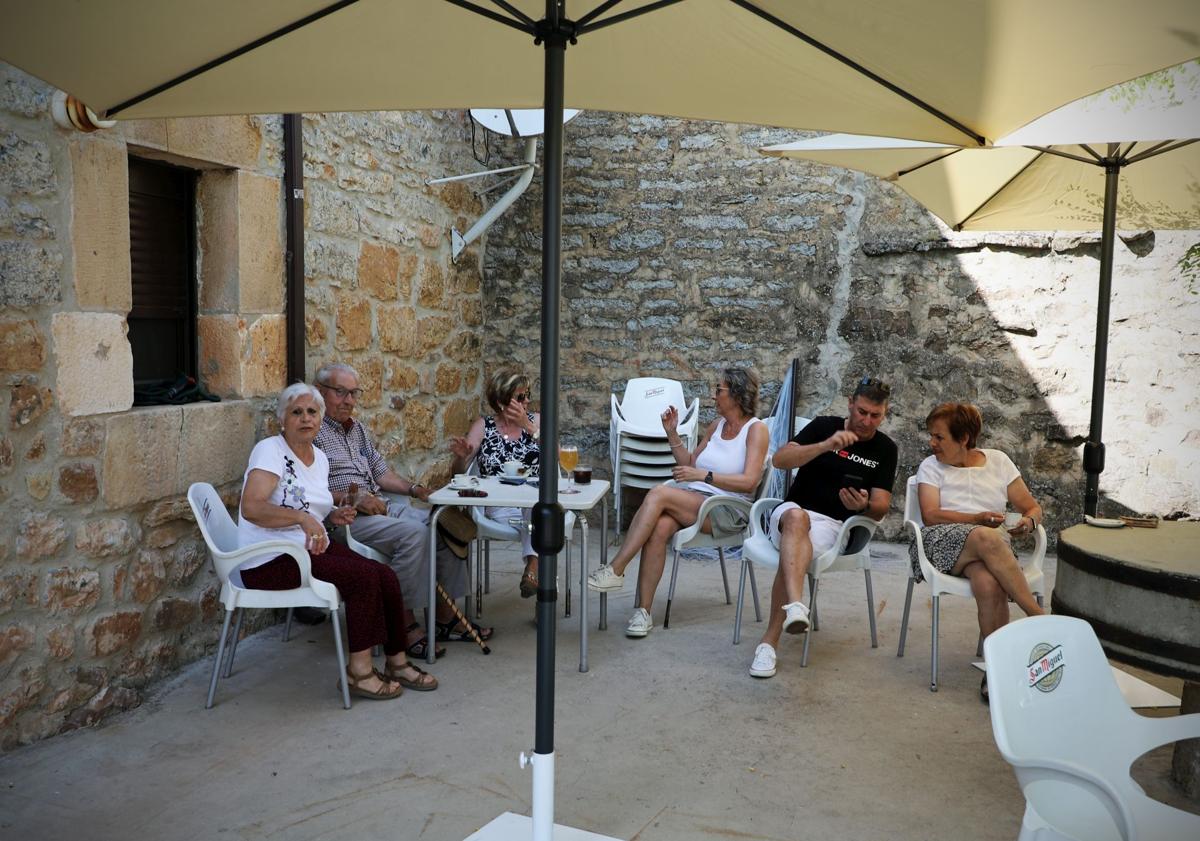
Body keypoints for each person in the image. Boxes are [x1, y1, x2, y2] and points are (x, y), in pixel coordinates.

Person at [237, 383, 437, 699]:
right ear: (282, 420)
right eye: (296, 412)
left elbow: (313, 505)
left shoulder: (318, 457)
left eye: (312, 412)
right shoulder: (271, 451)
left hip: (308, 550)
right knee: (364, 578)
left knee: (384, 575)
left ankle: (397, 661)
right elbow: (252, 507)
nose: (305, 419)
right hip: (270, 559)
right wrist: (302, 519)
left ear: (320, 418)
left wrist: (335, 514)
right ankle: (359, 672)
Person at [312, 363, 490, 657]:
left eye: (354, 393)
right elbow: (311, 491)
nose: (349, 400)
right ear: (320, 392)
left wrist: (415, 489)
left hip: (383, 506)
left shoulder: (357, 429)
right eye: (340, 392)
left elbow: (381, 474)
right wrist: (354, 499)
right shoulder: (312, 431)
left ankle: (445, 618)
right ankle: (401, 624)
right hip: (345, 518)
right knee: (416, 535)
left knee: (445, 524)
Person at [587, 368, 770, 638]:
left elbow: (750, 481)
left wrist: (703, 476)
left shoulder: (756, 430)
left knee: (659, 493)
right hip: (697, 499)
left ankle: (616, 568)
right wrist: (672, 434)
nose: (713, 395)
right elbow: (689, 465)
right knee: (660, 528)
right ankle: (643, 612)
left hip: (728, 510)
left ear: (737, 394)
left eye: (719, 390)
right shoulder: (716, 426)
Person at [749, 376, 898, 680]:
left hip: (833, 527)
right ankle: (788, 615)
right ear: (850, 404)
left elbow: (881, 506)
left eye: (875, 416)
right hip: (790, 512)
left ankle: (774, 636)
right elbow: (780, 460)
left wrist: (863, 507)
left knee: (794, 550)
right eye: (862, 412)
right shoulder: (823, 425)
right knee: (796, 521)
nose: (867, 421)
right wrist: (825, 445)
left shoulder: (885, 449)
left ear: (884, 414)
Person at [912, 402, 1046, 702]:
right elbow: (930, 515)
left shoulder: (998, 461)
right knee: (986, 537)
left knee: (989, 584)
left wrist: (1028, 521)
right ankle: (1037, 616)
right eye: (931, 436)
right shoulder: (930, 467)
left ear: (964, 438)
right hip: (943, 543)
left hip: (991, 550)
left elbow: (1032, 506)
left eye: (939, 437)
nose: (932, 443)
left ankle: (994, 671)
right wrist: (975, 519)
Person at [449, 368, 542, 598]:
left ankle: (533, 569)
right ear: (502, 402)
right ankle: (540, 571)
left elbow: (559, 456)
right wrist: (461, 457)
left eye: (527, 394)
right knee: (540, 524)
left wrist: (528, 427)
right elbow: (458, 473)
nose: (527, 400)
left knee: (536, 511)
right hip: (499, 506)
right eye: (520, 397)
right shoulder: (484, 426)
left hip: (533, 502)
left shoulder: (537, 421)